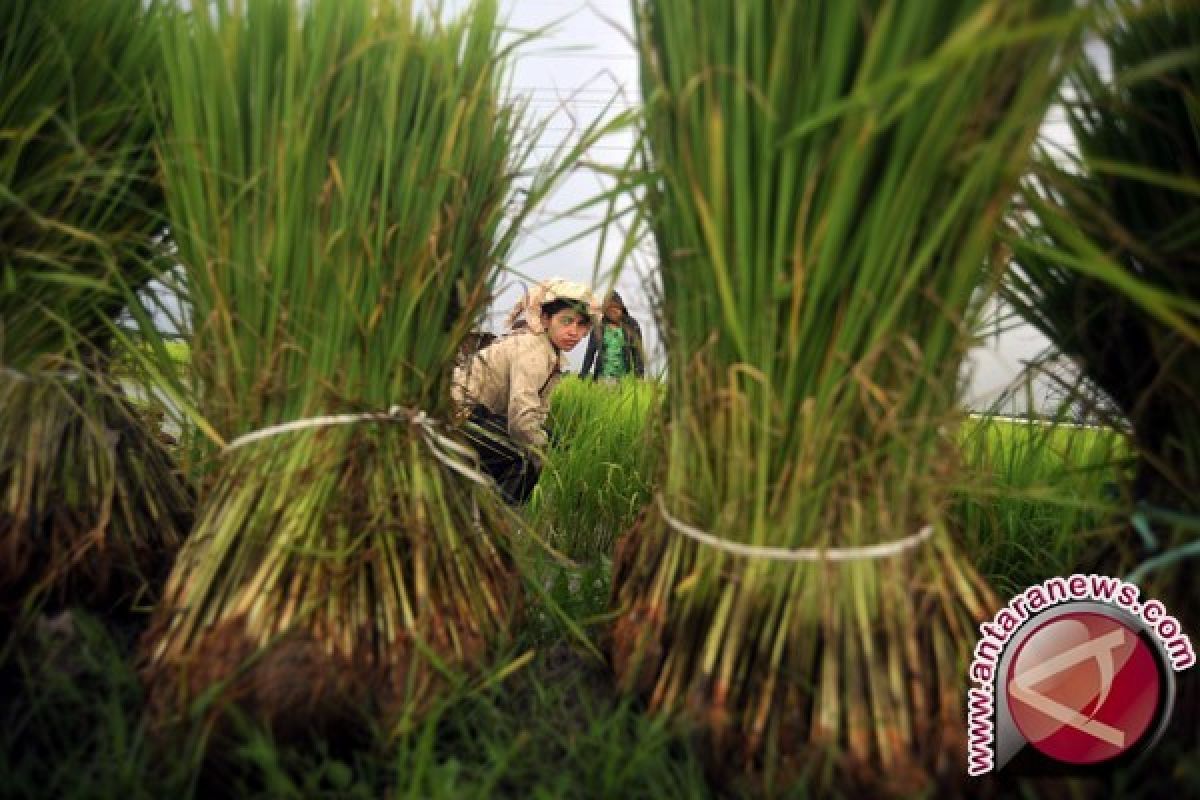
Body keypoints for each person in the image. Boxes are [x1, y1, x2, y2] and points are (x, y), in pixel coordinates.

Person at [452, 279, 599, 505]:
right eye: (566, 321)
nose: (574, 332)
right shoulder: (533, 351)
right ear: (546, 320)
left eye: (581, 326)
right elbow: (521, 423)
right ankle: (499, 517)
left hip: (477, 416)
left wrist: (550, 444)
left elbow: (537, 412)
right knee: (524, 458)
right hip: (457, 417)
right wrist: (546, 456)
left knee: (551, 441)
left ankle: (481, 503)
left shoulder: (551, 356)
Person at [580, 290, 645, 382]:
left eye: (616, 308)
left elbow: (638, 353)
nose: (613, 311)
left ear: (622, 308)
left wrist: (640, 377)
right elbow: (590, 353)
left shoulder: (632, 325)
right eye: (609, 309)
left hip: (624, 377)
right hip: (603, 377)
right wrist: (583, 376)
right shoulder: (599, 326)